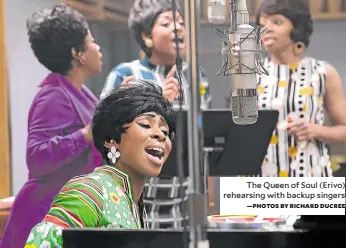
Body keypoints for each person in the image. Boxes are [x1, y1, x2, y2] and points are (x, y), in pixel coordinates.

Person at [24, 81, 176, 247]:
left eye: (165, 131)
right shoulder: (90, 190)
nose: (160, 136)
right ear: (111, 140)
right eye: (146, 124)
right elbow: (41, 243)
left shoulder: (135, 204)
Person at [100, 0, 211, 229]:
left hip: (184, 203)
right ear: (147, 37)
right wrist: (162, 104)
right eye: (167, 23)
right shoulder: (125, 74)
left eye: (181, 22)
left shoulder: (198, 76)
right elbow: (105, 134)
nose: (178, 27)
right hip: (136, 200)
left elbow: (205, 134)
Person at [0, 4, 103, 248]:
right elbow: (36, 157)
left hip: (70, 213)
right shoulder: (52, 96)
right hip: (44, 220)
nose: (98, 47)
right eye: (92, 41)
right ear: (79, 53)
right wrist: (83, 135)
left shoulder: (82, 93)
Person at [256, 0, 346, 177]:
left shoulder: (322, 73)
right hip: (261, 182)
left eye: (277, 22)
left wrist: (316, 130)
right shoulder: (250, 77)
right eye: (262, 23)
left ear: (296, 28)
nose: (267, 28)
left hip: (309, 180)